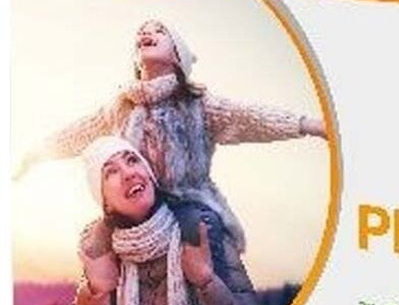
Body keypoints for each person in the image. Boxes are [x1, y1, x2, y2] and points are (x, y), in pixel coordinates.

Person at [15, 19, 326, 252]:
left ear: (178, 55)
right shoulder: (121, 106)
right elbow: (79, 132)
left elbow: (251, 117)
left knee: (198, 231)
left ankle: (218, 304)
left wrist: (310, 125)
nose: (146, 32)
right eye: (142, 32)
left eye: (159, 30)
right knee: (94, 242)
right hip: (138, 206)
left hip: (188, 202)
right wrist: (34, 154)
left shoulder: (197, 105)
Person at [63, 136, 265, 305]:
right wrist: (96, 295)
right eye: (111, 172)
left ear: (149, 174)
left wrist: (208, 283)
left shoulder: (203, 235)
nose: (128, 173)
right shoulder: (102, 257)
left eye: (132, 160)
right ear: (105, 203)